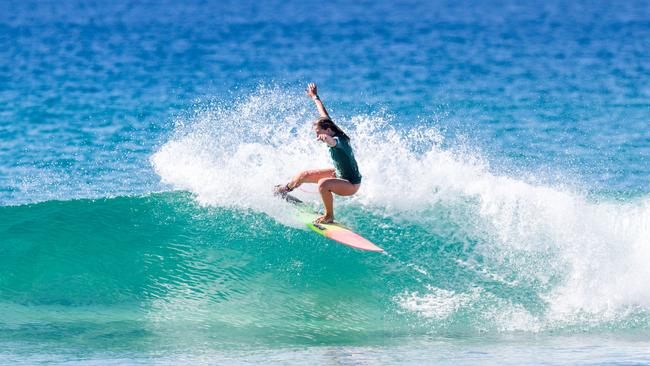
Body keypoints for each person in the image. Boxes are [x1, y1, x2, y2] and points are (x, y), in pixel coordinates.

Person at [274, 83, 362, 224]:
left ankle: (329, 216)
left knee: (323, 184)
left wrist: (326, 139)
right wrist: (315, 96)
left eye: (318, 132)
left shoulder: (339, 140)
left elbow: (333, 142)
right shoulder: (330, 127)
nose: (317, 135)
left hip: (351, 184)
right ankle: (285, 189)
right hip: (339, 174)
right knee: (304, 175)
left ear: (327, 130)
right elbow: (324, 114)